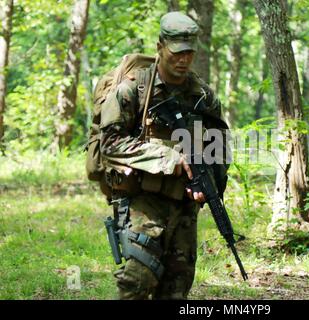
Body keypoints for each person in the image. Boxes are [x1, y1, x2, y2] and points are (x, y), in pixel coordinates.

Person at [99, 11, 229, 300]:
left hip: (184, 205)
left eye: (190, 53)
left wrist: (209, 184)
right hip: (143, 199)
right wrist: (169, 158)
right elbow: (109, 143)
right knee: (138, 280)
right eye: (177, 53)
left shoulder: (202, 96)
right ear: (160, 47)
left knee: (177, 286)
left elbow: (219, 144)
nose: (183, 60)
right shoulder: (133, 90)